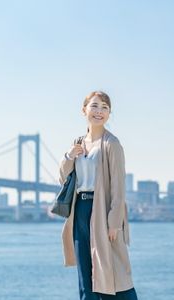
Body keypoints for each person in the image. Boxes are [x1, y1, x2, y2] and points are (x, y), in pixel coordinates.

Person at [58, 91, 139, 300]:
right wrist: (69, 156)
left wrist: (114, 222)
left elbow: (119, 187)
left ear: (109, 113)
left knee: (112, 272)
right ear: (84, 110)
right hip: (80, 213)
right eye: (94, 106)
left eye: (105, 107)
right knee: (85, 276)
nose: (99, 111)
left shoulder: (112, 144)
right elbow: (62, 178)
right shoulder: (78, 142)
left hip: (102, 211)